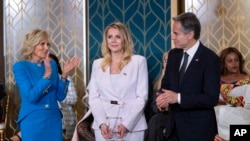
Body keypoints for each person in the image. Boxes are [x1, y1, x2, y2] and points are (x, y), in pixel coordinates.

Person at [156, 12, 220, 141]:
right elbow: (166, 85)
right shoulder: (173, 55)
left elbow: (211, 98)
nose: (172, 37)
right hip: (172, 129)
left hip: (197, 131)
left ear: (190, 34)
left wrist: (178, 98)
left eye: (176, 33)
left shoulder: (210, 59)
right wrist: (162, 99)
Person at [12, 29, 80, 141]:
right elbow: (31, 97)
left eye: (48, 44)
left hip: (53, 120)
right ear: (32, 45)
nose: (47, 47)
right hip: (33, 120)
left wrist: (64, 75)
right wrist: (46, 75)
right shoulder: (20, 66)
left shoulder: (51, 64)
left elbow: (60, 96)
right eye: (42, 44)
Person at [88, 21, 148, 141]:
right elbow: (94, 97)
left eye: (118, 37)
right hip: (104, 126)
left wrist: (127, 124)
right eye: (110, 37)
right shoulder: (97, 64)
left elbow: (142, 97)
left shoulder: (138, 62)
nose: (113, 41)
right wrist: (101, 123)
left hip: (132, 125)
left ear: (125, 40)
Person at [214, 47, 250, 141]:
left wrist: (227, 100)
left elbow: (247, 103)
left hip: (240, 121)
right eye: (230, 61)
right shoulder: (215, 79)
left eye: (236, 60)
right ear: (224, 64)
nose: (234, 63)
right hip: (218, 124)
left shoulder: (247, 80)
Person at [49, 53, 78, 140]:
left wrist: (59, 97)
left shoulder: (67, 79)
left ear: (56, 65)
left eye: (52, 63)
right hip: (48, 122)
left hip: (66, 121)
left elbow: (74, 99)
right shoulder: (41, 81)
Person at [144, 52, 169, 141]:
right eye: (165, 61)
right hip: (159, 115)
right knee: (154, 121)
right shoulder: (157, 83)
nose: (167, 63)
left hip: (174, 115)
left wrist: (168, 106)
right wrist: (160, 106)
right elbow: (153, 105)